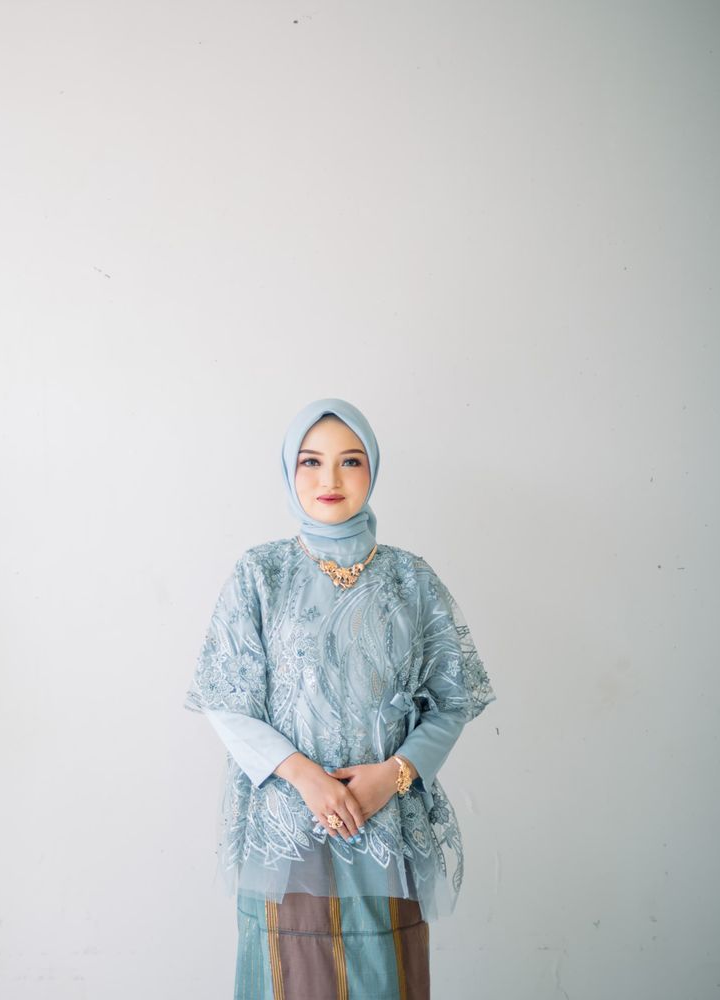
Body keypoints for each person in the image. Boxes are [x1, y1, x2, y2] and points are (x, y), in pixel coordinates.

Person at [187, 398, 494, 999]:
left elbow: (452, 698)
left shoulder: (411, 578)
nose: (329, 479)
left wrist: (394, 775)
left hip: (385, 826)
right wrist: (305, 778)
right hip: (288, 827)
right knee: (289, 979)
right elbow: (225, 697)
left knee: (385, 977)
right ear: (289, 470)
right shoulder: (261, 573)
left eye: (350, 461)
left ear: (372, 470)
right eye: (311, 461)